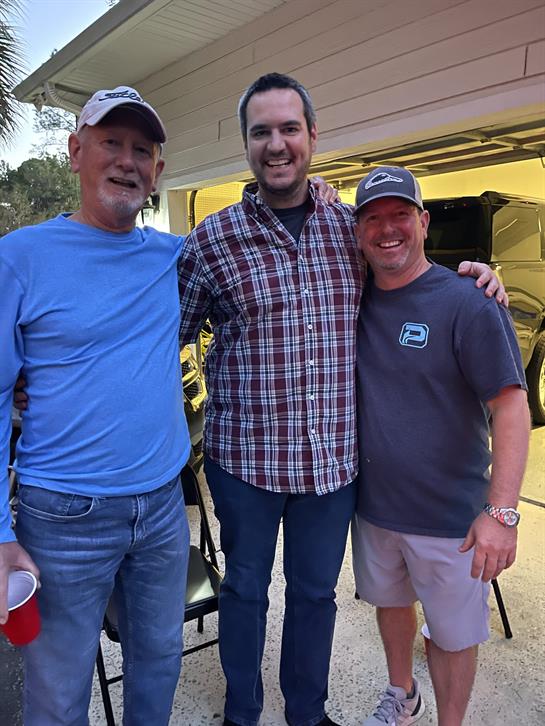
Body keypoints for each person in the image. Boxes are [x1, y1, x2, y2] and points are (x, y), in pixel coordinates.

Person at [177, 73, 504, 726]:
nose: (277, 144)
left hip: (330, 466)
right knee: (244, 592)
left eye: (289, 129)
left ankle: (306, 712)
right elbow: (166, 337)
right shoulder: (211, 241)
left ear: (312, 136)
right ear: (246, 144)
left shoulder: (347, 227)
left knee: (314, 596)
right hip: (245, 463)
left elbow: (407, 273)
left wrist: (474, 280)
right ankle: (241, 713)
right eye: (261, 132)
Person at [0, 87, 192, 725]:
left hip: (163, 510)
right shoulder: (20, 257)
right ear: (76, 151)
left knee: (159, 664)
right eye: (111, 142)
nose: (127, 160)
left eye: (142, 150)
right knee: (58, 696)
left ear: (157, 172)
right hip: (62, 518)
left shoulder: (174, 257)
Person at [350, 166, 530, 726]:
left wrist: (501, 513)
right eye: (372, 218)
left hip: (451, 519)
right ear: (357, 232)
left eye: (400, 214)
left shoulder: (468, 301)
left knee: (452, 635)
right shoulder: (350, 300)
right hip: (374, 508)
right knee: (391, 605)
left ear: (424, 222)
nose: (387, 229)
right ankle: (402, 695)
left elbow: (511, 407)